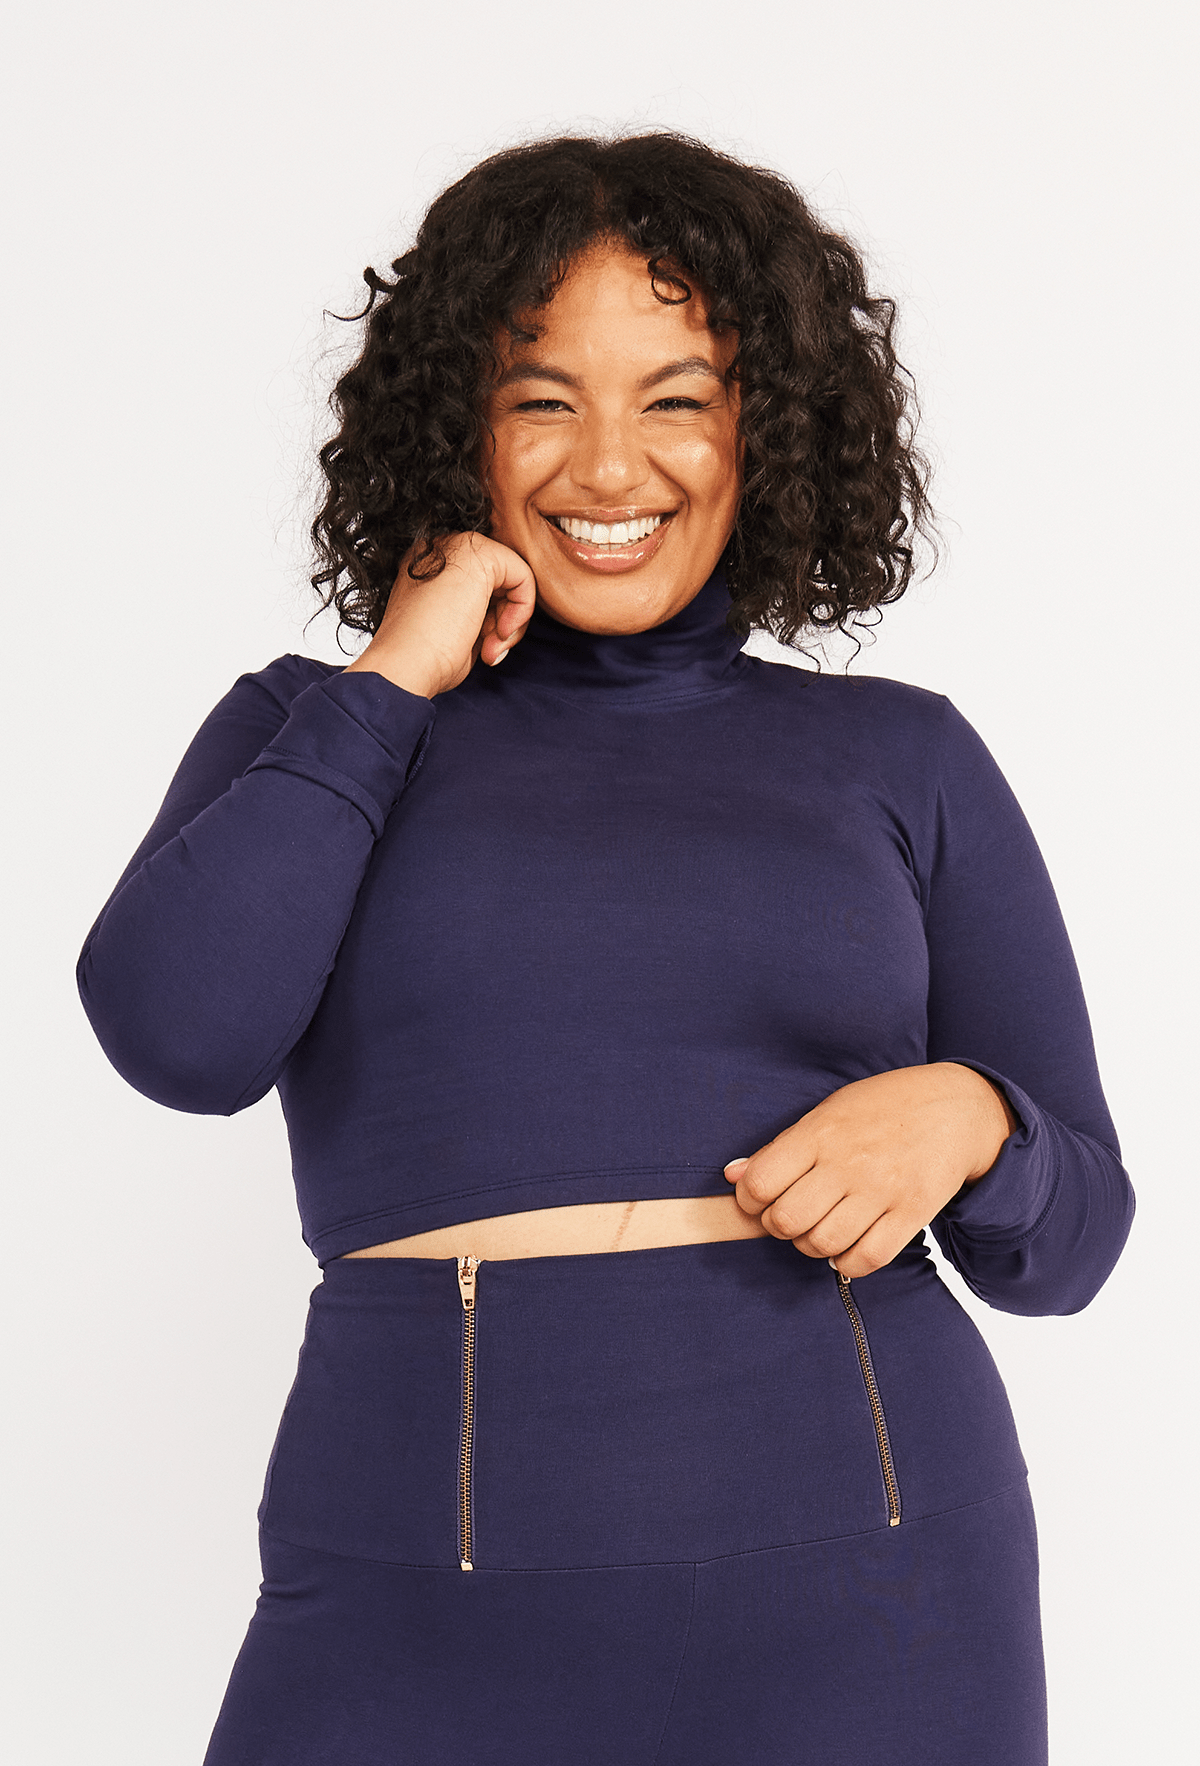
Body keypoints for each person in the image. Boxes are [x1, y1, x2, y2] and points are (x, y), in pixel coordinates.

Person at [76, 131, 1135, 1765]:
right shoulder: (317, 730)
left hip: (871, 1603)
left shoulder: (901, 755)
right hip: (409, 1602)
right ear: (459, 425)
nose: (611, 465)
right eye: (542, 399)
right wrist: (391, 679)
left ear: (766, 426)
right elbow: (176, 1030)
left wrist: (976, 1120)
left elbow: (1076, 1235)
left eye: (678, 398)